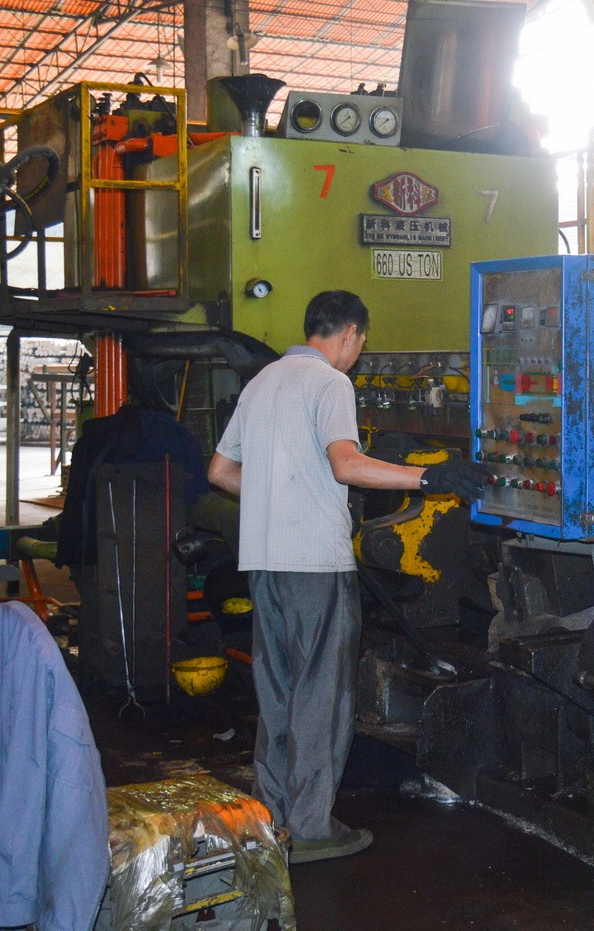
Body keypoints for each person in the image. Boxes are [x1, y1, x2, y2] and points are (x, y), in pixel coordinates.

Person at [207, 290, 487, 863]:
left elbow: (220, 471)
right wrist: (429, 479)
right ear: (352, 335)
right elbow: (347, 464)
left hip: (262, 560)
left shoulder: (261, 383)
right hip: (314, 563)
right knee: (322, 694)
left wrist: (277, 499)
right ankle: (311, 827)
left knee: (278, 692)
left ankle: (271, 817)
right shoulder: (330, 383)